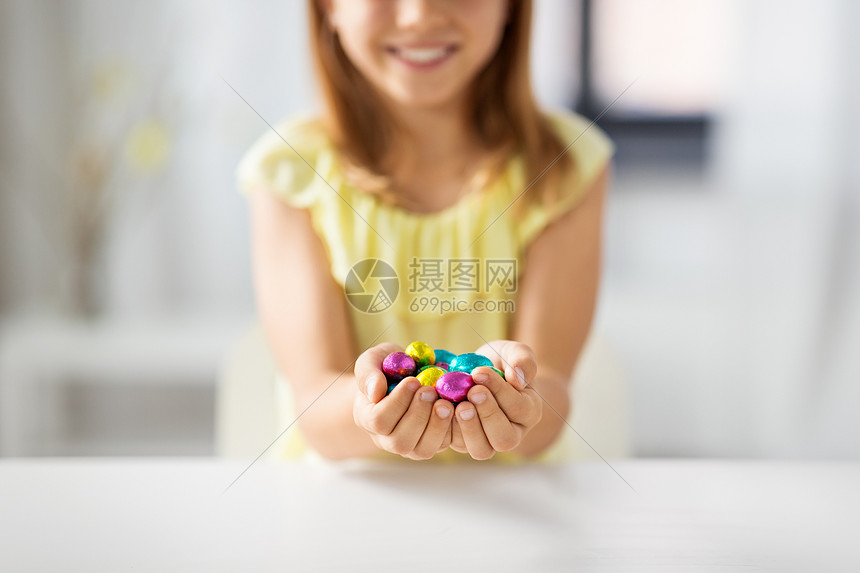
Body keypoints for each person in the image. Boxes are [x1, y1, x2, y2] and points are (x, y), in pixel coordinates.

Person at [235, 0, 615, 464]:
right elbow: (313, 406)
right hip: (343, 505)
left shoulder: (566, 164)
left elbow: (550, 399)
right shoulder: (289, 171)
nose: (418, 15)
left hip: (520, 506)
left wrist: (523, 403)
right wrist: (367, 410)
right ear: (328, 8)